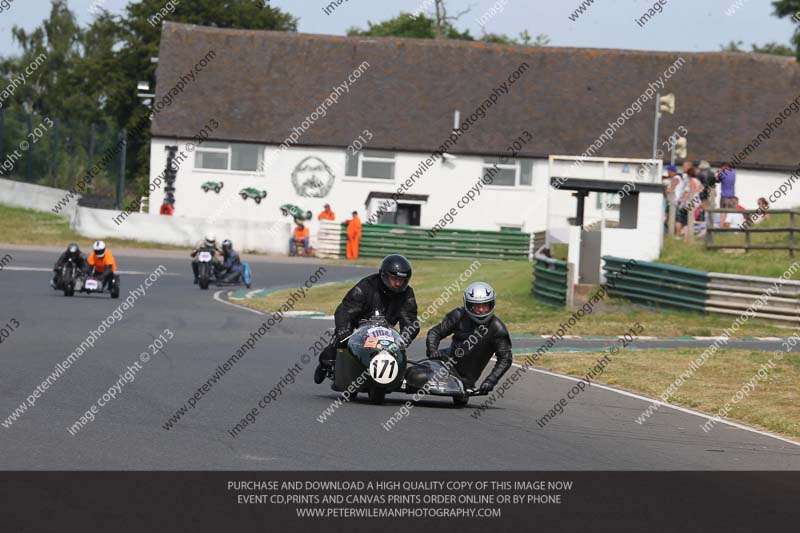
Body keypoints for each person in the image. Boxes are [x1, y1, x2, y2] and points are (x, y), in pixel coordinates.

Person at [314, 254, 419, 383]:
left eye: (401, 280)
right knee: (330, 355)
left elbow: (410, 320)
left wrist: (405, 337)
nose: (397, 283)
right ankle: (325, 365)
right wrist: (344, 328)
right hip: (357, 328)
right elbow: (345, 309)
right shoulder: (366, 286)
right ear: (384, 276)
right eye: (394, 279)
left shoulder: (406, 294)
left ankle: (392, 375)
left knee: (398, 352)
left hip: (385, 332)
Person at [426, 282, 512, 393]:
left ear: (491, 305)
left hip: (465, 379)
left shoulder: (498, 329)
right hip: (443, 363)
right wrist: (433, 350)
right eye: (477, 306)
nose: (481, 310)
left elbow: (505, 358)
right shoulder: (458, 315)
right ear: (469, 305)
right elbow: (435, 332)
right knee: (415, 375)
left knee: (460, 392)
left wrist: (491, 380)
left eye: (485, 306)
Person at [717, 162, 736, 227]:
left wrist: (718, 172)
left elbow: (717, 180)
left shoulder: (722, 173)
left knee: (723, 213)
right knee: (730, 214)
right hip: (732, 197)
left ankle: (721, 227)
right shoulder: (733, 173)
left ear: (724, 167)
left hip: (724, 197)